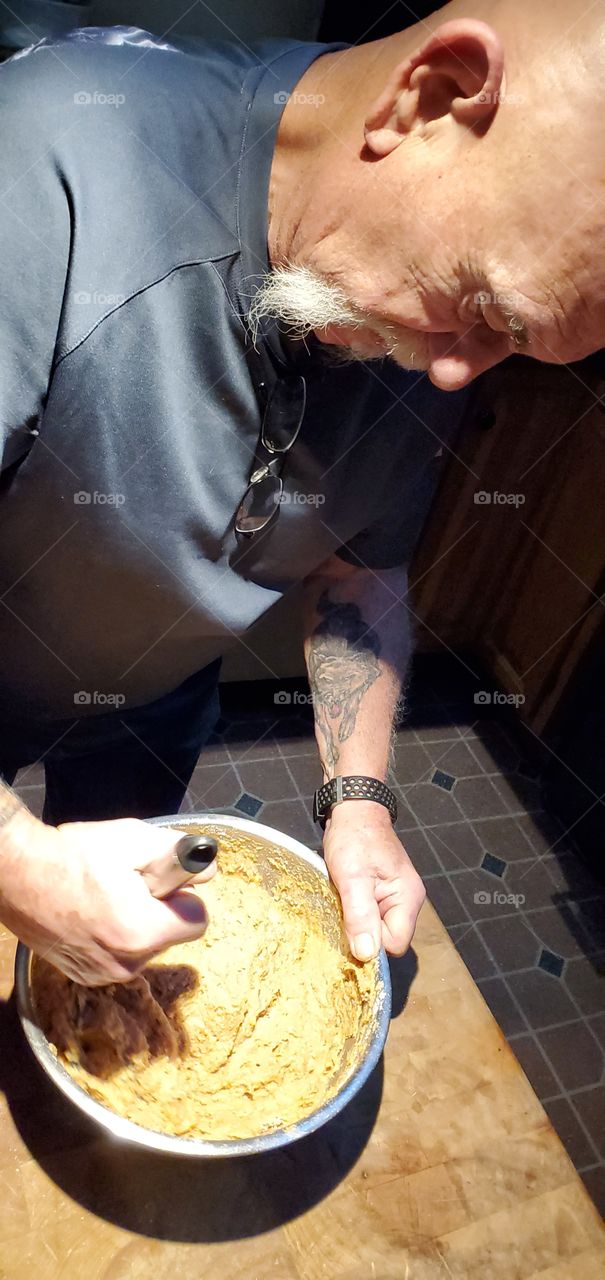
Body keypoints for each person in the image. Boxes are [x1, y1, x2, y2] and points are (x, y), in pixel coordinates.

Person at [0, 1, 603, 985]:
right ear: (431, 95)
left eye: (513, 344)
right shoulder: (40, 158)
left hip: (152, 701)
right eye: (484, 307)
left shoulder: (423, 324)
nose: (460, 373)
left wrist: (358, 799)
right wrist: (18, 862)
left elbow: (358, 574)